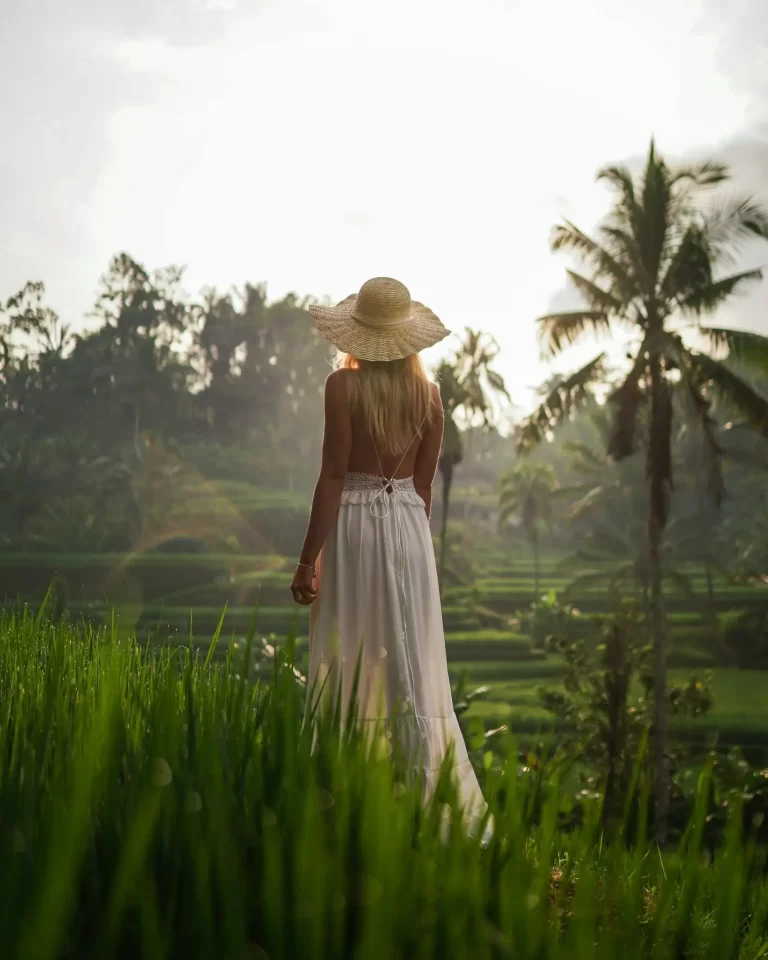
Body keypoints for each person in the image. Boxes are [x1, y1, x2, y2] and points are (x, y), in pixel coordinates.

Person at [291, 277, 490, 838]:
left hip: (353, 523)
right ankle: (421, 801)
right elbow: (421, 491)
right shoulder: (429, 398)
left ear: (358, 334)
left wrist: (310, 559)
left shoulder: (341, 387)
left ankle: (348, 801)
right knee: (410, 657)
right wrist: (405, 551)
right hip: (407, 528)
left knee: (351, 651)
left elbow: (333, 474)